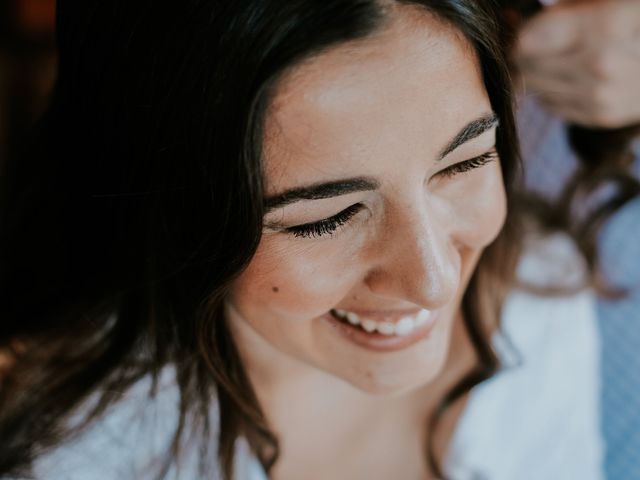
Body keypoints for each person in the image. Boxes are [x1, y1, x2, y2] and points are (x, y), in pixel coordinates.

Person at [0, 1, 605, 479]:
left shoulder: (542, 296)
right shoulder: (75, 449)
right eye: (328, 217)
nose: (434, 280)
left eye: (465, 163)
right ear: (172, 208)